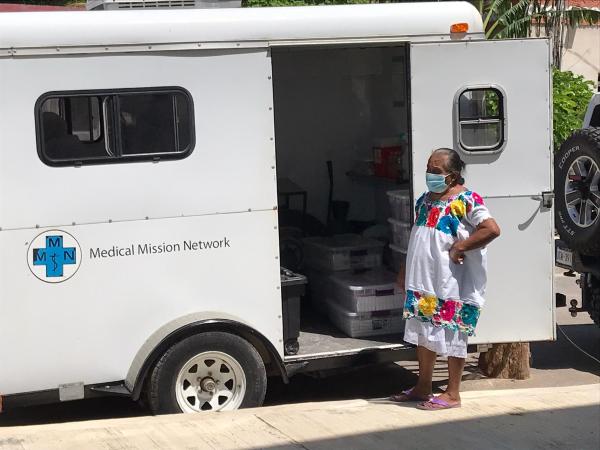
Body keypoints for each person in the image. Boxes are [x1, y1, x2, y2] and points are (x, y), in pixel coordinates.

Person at [390, 147, 501, 410]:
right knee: (424, 331)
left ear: (452, 175)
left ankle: (453, 393)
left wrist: (461, 247)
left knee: (453, 333)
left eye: (436, 171)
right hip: (423, 281)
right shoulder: (424, 200)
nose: (430, 174)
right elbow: (417, 235)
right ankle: (423, 386)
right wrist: (405, 270)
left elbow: (491, 229)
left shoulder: (467, 200)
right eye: (429, 168)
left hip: (452, 283)